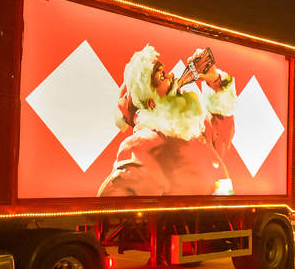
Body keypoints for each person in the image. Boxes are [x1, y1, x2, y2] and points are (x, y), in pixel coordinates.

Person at [97, 44, 237, 196]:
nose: (172, 76)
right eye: (161, 76)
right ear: (151, 102)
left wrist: (215, 79)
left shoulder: (195, 130)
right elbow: (112, 204)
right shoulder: (142, 146)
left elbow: (221, 130)